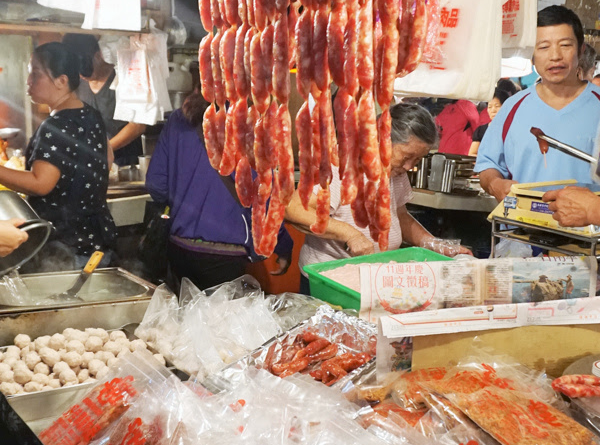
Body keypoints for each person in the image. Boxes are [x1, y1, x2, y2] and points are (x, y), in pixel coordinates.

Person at [286, 104, 473, 293]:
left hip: (375, 277)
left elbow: (399, 215)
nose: (409, 166)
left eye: (417, 160)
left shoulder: (395, 171)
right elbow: (295, 210)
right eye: (407, 156)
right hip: (331, 282)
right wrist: (351, 235)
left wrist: (434, 244)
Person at [145, 88, 293, 292]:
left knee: (188, 319)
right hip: (224, 253)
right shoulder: (250, 125)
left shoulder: (178, 120)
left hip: (178, 248)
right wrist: (283, 244)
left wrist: (185, 203)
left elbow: (156, 183)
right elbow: (263, 200)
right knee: (223, 321)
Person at [0, 43, 116, 267]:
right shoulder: (91, 115)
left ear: (62, 81)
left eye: (35, 73)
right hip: (97, 241)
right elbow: (107, 160)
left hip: (64, 248)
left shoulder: (56, 125)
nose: (28, 81)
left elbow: (41, 184)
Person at [475, 6, 600, 201]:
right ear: (532, 56)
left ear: (581, 50)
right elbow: (488, 164)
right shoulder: (512, 107)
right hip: (522, 228)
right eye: (543, 47)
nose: (555, 56)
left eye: (565, 45)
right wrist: (495, 184)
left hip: (588, 230)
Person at [62, 33, 146, 167]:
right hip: (93, 162)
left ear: (98, 56)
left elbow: (138, 125)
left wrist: (104, 150)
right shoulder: (77, 83)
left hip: (127, 162)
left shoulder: (123, 76)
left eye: (86, 69)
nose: (82, 75)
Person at [469, 88, 511, 156]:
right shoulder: (480, 131)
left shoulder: (512, 130)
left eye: (497, 106)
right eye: (490, 107)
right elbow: (472, 154)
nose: (493, 110)